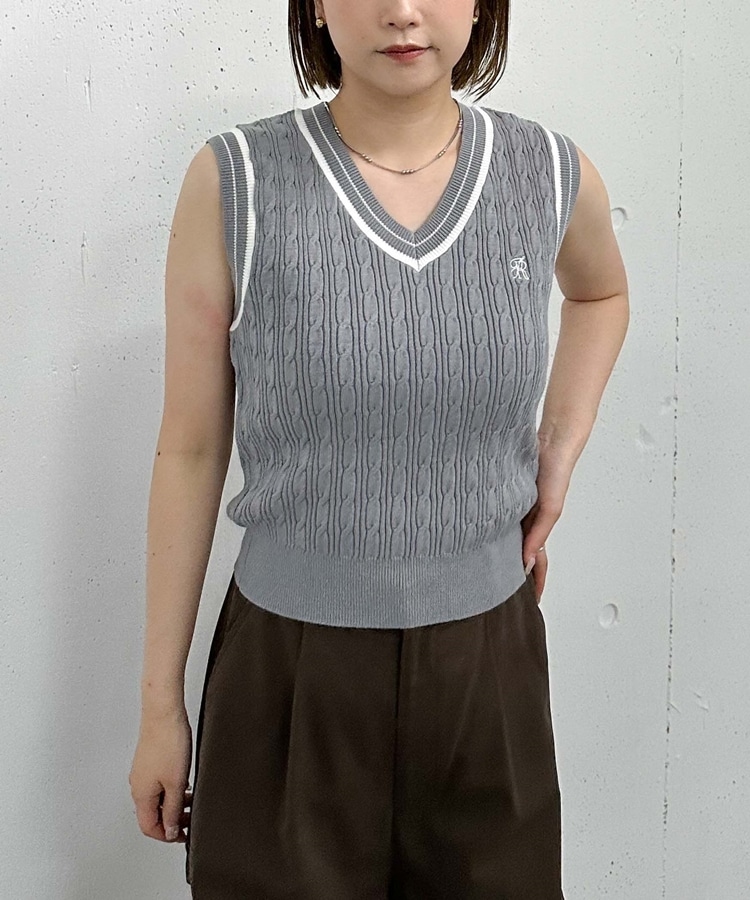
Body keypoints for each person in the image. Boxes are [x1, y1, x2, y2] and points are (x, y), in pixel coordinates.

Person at [129, 0, 629, 896]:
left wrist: (557, 450)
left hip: (488, 664)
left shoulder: (549, 172)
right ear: (318, 5)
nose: (403, 11)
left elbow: (601, 294)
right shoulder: (237, 180)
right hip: (290, 669)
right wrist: (161, 706)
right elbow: (192, 448)